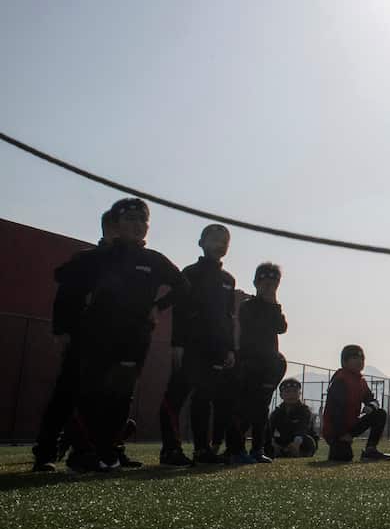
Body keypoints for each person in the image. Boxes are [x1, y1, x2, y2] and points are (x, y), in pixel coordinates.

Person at [64, 198, 187, 472]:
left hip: (135, 339)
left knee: (121, 396)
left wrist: (158, 306)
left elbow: (182, 286)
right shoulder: (100, 256)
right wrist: (67, 324)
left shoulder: (153, 260)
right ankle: (82, 452)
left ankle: (111, 451)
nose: (136, 225)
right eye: (130, 219)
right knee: (91, 393)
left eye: (142, 220)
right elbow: (66, 280)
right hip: (97, 336)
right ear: (117, 224)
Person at [32, 209, 117, 472]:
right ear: (108, 229)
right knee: (68, 394)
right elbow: (66, 292)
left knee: (101, 396)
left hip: (112, 340)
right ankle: (50, 450)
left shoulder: (131, 263)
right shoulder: (88, 260)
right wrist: (62, 330)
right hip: (83, 337)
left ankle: (89, 449)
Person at [158, 224, 237, 466]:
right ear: (201, 242)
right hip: (191, 347)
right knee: (175, 397)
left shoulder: (228, 280)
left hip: (216, 351)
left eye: (224, 240)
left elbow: (227, 317)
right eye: (214, 238)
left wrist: (230, 349)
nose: (219, 244)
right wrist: (177, 344)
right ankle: (170, 450)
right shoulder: (190, 273)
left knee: (204, 400)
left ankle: (202, 450)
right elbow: (180, 311)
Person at [225, 262, 288, 464]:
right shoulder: (247, 306)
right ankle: (235, 449)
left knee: (261, 409)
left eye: (273, 284)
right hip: (249, 363)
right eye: (265, 283)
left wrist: (274, 303)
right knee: (243, 408)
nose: (269, 288)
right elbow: (254, 325)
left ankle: (258, 449)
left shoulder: (274, 307)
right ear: (256, 283)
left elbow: (281, 327)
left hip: (269, 364)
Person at [321, 345, 390, 462]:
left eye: (362, 358)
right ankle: (338, 445)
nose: (360, 361)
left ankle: (370, 450)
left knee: (379, 414)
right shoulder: (340, 380)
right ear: (344, 361)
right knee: (343, 457)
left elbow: (372, 400)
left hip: (351, 426)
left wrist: (371, 406)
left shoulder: (360, 381)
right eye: (354, 358)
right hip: (336, 430)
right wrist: (342, 434)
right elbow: (336, 412)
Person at [265, 376, 317, 458]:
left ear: (300, 394)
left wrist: (296, 443)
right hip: (284, 440)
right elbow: (269, 430)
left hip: (301, 441)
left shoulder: (305, 410)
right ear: (281, 395)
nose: (291, 395)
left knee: (308, 441)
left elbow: (302, 428)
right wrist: (273, 443)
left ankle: (298, 453)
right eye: (287, 392)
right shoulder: (277, 412)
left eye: (295, 391)